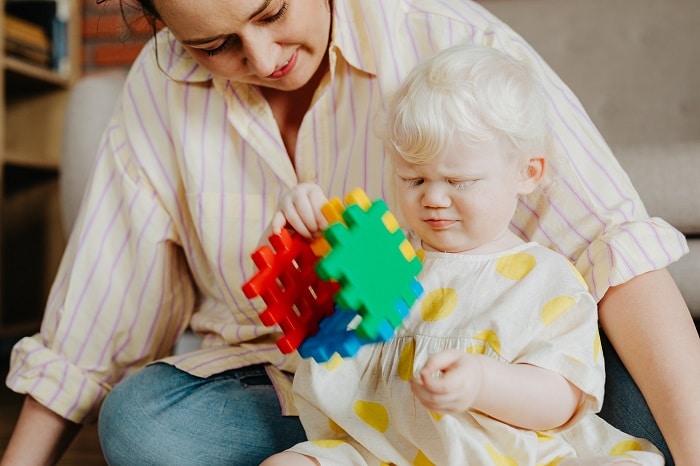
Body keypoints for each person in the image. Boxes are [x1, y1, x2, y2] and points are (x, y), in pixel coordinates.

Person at [1, 0, 697, 464]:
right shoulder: (161, 84)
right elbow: (94, 318)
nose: (265, 56)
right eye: (214, 45)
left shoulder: (452, 39)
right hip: (329, 388)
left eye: (271, 10)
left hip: (504, 375)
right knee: (142, 423)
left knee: (631, 401)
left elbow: (615, 248)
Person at [261, 44, 664, 466]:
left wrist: (483, 384)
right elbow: (323, 334)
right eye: (413, 178)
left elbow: (562, 401)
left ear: (527, 173)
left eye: (460, 181)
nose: (434, 197)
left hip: (502, 455)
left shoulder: (545, 279)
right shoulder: (387, 262)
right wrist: (309, 222)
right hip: (377, 450)